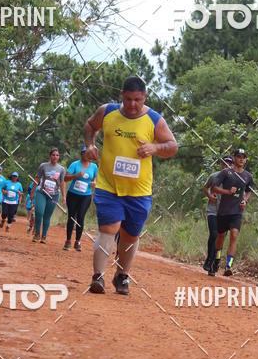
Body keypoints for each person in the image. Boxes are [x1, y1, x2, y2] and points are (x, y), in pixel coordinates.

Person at [83, 76, 178, 296]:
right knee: (109, 228)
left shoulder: (154, 119)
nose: (132, 104)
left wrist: (155, 148)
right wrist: (89, 144)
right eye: (128, 99)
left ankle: (122, 276)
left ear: (144, 97)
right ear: (121, 96)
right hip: (109, 185)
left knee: (130, 236)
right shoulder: (107, 112)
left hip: (139, 190)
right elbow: (89, 126)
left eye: (137, 99)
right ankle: (98, 277)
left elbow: (172, 146)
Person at [210, 148, 253, 276]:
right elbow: (214, 187)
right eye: (239, 156)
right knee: (221, 236)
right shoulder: (225, 173)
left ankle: (228, 265)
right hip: (223, 211)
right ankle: (217, 259)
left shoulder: (248, 176)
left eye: (243, 157)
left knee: (234, 235)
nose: (241, 159)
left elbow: (248, 191)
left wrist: (245, 200)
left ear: (245, 160)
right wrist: (227, 192)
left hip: (237, 212)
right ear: (234, 158)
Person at [202, 155, 233, 275]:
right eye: (225, 163)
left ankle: (215, 263)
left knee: (221, 238)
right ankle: (209, 259)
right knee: (214, 234)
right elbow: (206, 187)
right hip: (212, 210)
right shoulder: (214, 176)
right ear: (221, 165)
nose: (227, 166)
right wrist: (210, 196)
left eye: (230, 164)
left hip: (225, 213)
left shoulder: (233, 180)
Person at [63, 146, 98, 251]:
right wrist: (76, 175)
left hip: (86, 196)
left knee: (81, 217)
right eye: (85, 153)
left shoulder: (94, 167)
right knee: (71, 217)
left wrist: (94, 183)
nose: (88, 155)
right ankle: (68, 240)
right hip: (73, 194)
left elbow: (95, 178)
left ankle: (77, 241)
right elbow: (65, 178)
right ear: (81, 154)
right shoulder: (75, 164)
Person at [30, 148, 67, 243]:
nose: (55, 157)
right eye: (53, 155)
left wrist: (63, 196)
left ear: (59, 157)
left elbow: (62, 183)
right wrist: (32, 192)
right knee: (39, 212)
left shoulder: (61, 169)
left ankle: (44, 236)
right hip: (42, 192)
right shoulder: (43, 166)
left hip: (54, 195)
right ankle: (37, 233)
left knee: (47, 216)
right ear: (50, 156)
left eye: (57, 155)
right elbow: (37, 179)